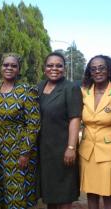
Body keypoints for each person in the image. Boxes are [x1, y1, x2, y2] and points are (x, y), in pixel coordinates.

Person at [0, 53, 40, 209]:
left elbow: (34, 123)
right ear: (0, 67)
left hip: (19, 149)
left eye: (13, 65)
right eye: (6, 65)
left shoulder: (27, 90)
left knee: (18, 190)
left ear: (19, 69)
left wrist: (25, 152)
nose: (9, 68)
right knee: (2, 188)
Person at [79, 55, 111, 209]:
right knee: (91, 192)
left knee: (109, 194)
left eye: (101, 68)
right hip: (87, 152)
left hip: (109, 152)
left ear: (109, 70)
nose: (97, 71)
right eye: (93, 69)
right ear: (89, 72)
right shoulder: (83, 92)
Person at [38, 52, 82, 209]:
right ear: (44, 68)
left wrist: (71, 147)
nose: (54, 68)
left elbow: (75, 118)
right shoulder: (40, 86)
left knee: (63, 195)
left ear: (64, 68)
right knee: (50, 193)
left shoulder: (71, 88)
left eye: (59, 65)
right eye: (50, 65)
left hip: (62, 149)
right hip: (44, 150)